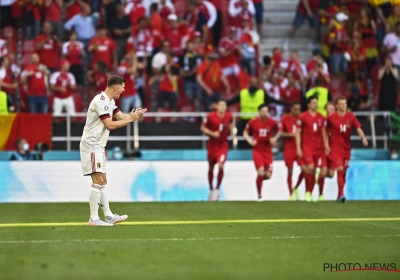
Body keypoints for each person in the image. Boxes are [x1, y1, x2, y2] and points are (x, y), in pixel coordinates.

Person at [80, 75, 147, 226]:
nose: (123, 91)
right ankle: (93, 219)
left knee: (102, 180)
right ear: (115, 87)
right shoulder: (100, 101)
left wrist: (133, 116)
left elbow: (121, 117)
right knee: (97, 180)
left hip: (98, 145)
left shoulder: (110, 101)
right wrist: (129, 119)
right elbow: (110, 125)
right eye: (122, 88)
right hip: (91, 144)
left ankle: (109, 216)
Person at [324, 96, 368, 203]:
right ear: (337, 105)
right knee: (339, 169)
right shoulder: (331, 118)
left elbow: (358, 128)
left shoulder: (351, 117)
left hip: (347, 148)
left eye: (345, 104)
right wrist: (326, 145)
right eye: (341, 104)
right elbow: (324, 131)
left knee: (343, 171)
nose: (344, 106)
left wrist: (363, 138)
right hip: (335, 148)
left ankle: (340, 194)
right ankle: (341, 195)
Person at [243, 104, 280, 200]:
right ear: (259, 112)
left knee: (268, 175)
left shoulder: (272, 122)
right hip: (257, 150)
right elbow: (245, 132)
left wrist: (274, 139)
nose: (265, 114)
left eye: (266, 111)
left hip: (268, 151)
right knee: (261, 172)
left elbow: (280, 131)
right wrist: (250, 141)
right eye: (263, 111)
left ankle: (258, 181)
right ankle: (259, 194)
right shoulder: (253, 122)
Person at [295, 95, 327, 202]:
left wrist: (326, 145)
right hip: (307, 147)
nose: (316, 105)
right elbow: (298, 133)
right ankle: (308, 192)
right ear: (308, 104)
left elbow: (324, 132)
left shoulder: (321, 117)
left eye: (316, 103)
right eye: (313, 103)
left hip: (319, 148)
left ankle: (319, 194)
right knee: (311, 168)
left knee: (323, 171)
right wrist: (299, 148)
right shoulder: (302, 117)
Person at [200, 99, 234, 201]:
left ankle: (217, 189)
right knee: (211, 168)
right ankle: (211, 189)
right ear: (217, 106)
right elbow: (202, 128)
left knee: (221, 165)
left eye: (225, 105)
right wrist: (212, 133)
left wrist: (233, 134)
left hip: (223, 145)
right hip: (212, 146)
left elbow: (231, 124)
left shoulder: (229, 116)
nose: (223, 107)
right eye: (221, 105)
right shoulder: (210, 116)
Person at [280, 102, 302, 201]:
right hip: (289, 148)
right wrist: (293, 135)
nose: (297, 111)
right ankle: (291, 194)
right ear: (291, 109)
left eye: (299, 109)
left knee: (305, 170)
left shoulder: (302, 118)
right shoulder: (285, 118)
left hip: (300, 148)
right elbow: (281, 133)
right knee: (290, 171)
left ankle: (296, 187)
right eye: (295, 109)